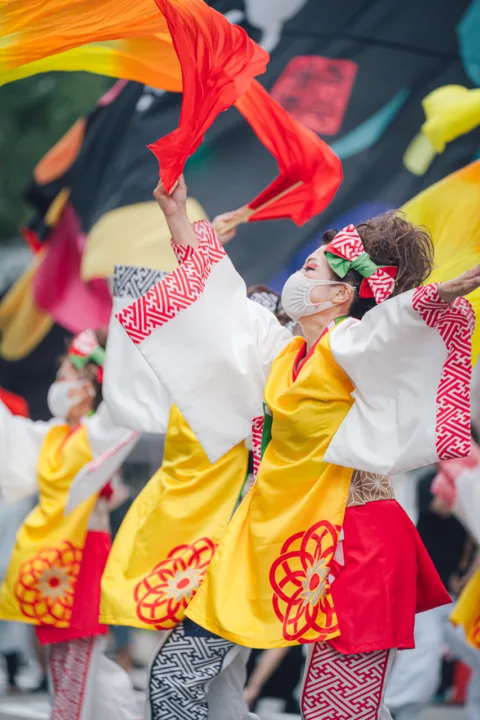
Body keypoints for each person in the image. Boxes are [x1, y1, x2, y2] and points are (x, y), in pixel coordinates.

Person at [114, 174, 480, 720]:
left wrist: (441, 295)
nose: (296, 276)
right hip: (274, 531)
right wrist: (176, 217)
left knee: (334, 710)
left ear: (340, 296)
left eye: (311, 270)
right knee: (176, 677)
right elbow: (223, 301)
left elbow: (391, 327)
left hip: (353, 537)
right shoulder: (282, 350)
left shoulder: (350, 346)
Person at [102, 258, 292, 720]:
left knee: (176, 685)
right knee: (217, 688)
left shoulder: (268, 394)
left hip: (232, 546)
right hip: (192, 537)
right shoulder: (199, 391)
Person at [0, 329, 140, 720]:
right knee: (67, 664)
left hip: (83, 555)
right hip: (52, 560)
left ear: (88, 388)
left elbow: (123, 405)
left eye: (65, 377)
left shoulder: (98, 434)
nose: (58, 386)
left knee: (76, 661)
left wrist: (111, 359)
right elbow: (8, 431)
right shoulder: (52, 435)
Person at [385, 470, 479, 719]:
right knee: (425, 648)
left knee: (476, 648)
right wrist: (467, 486)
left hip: (450, 598)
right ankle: (395, 709)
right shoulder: (431, 479)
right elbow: (442, 506)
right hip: (420, 594)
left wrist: (466, 577)